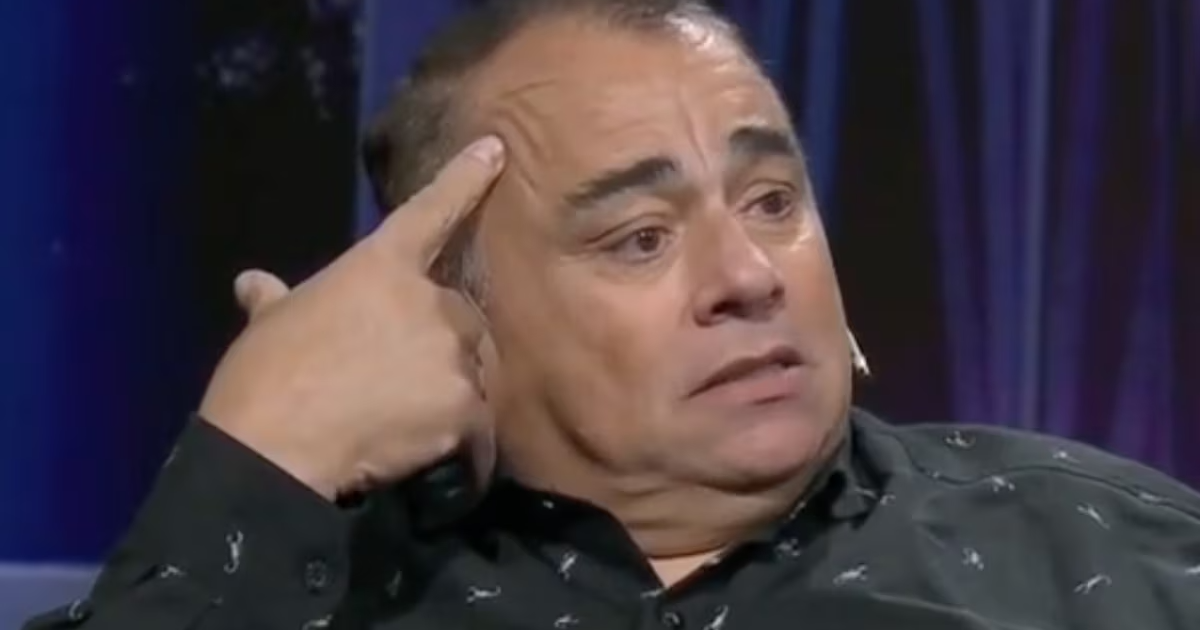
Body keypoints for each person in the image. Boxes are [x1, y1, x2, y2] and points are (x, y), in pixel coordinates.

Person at [26, 1, 1200, 628]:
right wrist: (265, 448)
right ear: (455, 326)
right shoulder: (284, 595)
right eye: (641, 237)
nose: (750, 274)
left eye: (772, 201)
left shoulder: (1107, 555)